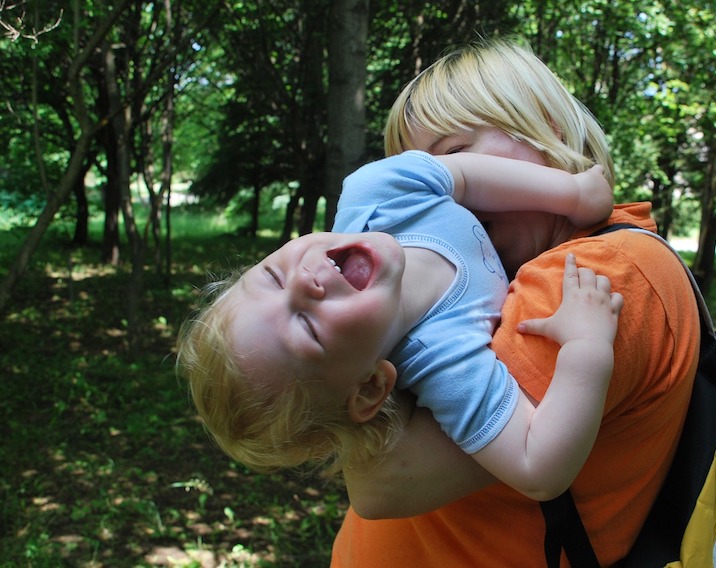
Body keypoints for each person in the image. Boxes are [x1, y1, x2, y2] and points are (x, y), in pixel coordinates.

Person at [331, 39, 702, 566]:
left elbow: (382, 483)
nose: (445, 196)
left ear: (546, 128)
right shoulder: (520, 270)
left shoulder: (594, 275)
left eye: (456, 155)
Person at [177, 149, 623, 502]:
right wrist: (587, 347)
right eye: (308, 329)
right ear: (370, 387)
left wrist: (572, 194)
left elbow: (464, 176)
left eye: (272, 276)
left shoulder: (375, 193)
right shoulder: (442, 360)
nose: (303, 282)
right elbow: (537, 468)